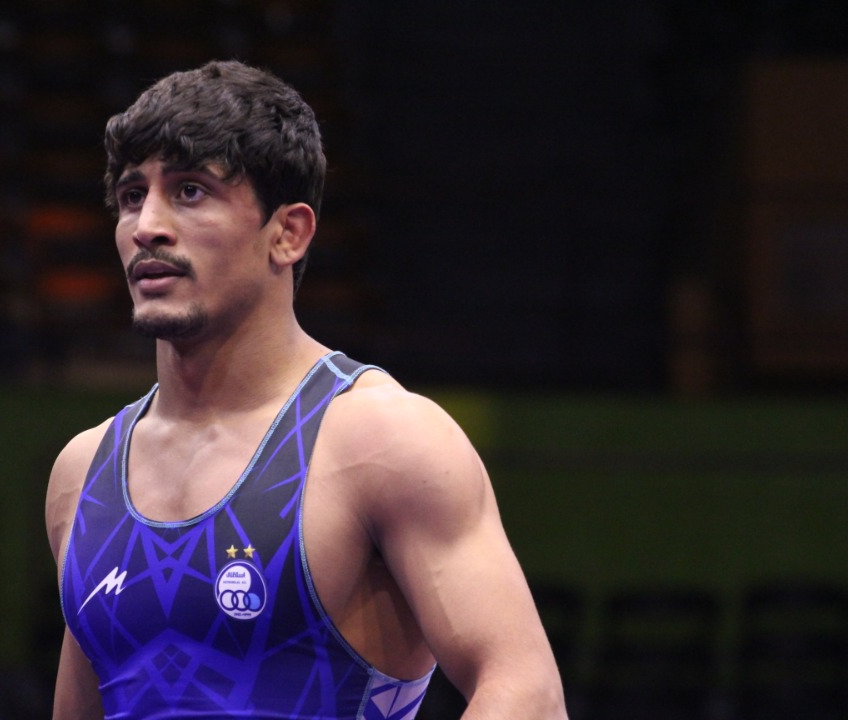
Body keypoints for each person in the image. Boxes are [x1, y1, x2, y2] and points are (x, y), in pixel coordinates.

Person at [45, 59, 566, 720]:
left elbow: (528, 692)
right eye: (130, 196)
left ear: (287, 234)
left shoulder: (382, 440)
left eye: (190, 191)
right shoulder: (83, 473)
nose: (147, 225)